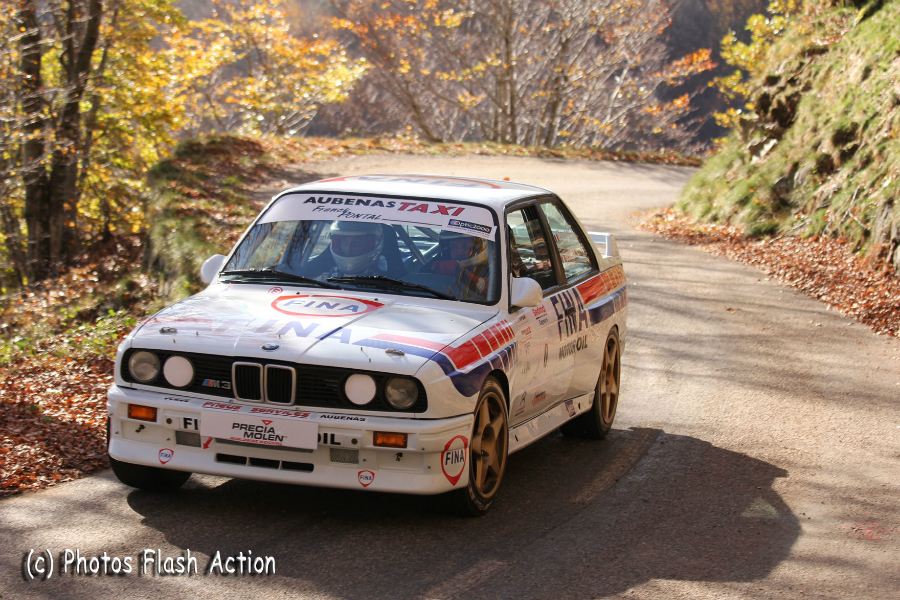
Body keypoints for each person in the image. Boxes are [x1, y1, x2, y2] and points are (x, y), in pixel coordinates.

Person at [308, 221, 389, 279]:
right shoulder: (318, 279)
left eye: (357, 242)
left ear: (373, 244)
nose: (348, 248)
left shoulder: (387, 280)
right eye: (345, 242)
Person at [429, 230, 490, 297]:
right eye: (453, 247)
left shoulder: (492, 268)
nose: (459, 253)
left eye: (465, 246)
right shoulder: (441, 265)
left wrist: (459, 271)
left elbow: (487, 289)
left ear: (478, 248)